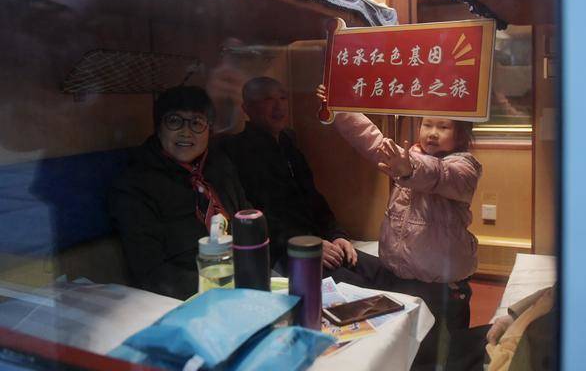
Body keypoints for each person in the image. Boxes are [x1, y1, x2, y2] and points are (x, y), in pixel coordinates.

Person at [316, 84, 481, 365]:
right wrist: (339, 107)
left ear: (462, 135)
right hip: (401, 275)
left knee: (441, 354)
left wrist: (409, 168)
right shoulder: (404, 156)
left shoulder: (465, 167)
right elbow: (371, 139)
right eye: (427, 124)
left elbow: (438, 174)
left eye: (443, 127)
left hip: (441, 285)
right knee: (405, 345)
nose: (432, 132)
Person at [220, 77, 371, 280]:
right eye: (267, 99)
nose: (279, 106)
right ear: (246, 108)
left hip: (318, 241)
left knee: (385, 273)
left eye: (283, 98)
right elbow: (257, 216)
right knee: (356, 285)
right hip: (283, 252)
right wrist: (306, 243)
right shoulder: (237, 151)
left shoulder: (287, 143)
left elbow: (313, 198)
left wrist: (337, 235)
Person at [108, 86, 250, 300]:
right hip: (189, 296)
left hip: (244, 277)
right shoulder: (135, 186)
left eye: (197, 123)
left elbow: (247, 219)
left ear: (209, 130)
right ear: (158, 128)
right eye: (174, 121)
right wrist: (223, 288)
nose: (186, 132)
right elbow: (150, 273)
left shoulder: (220, 166)